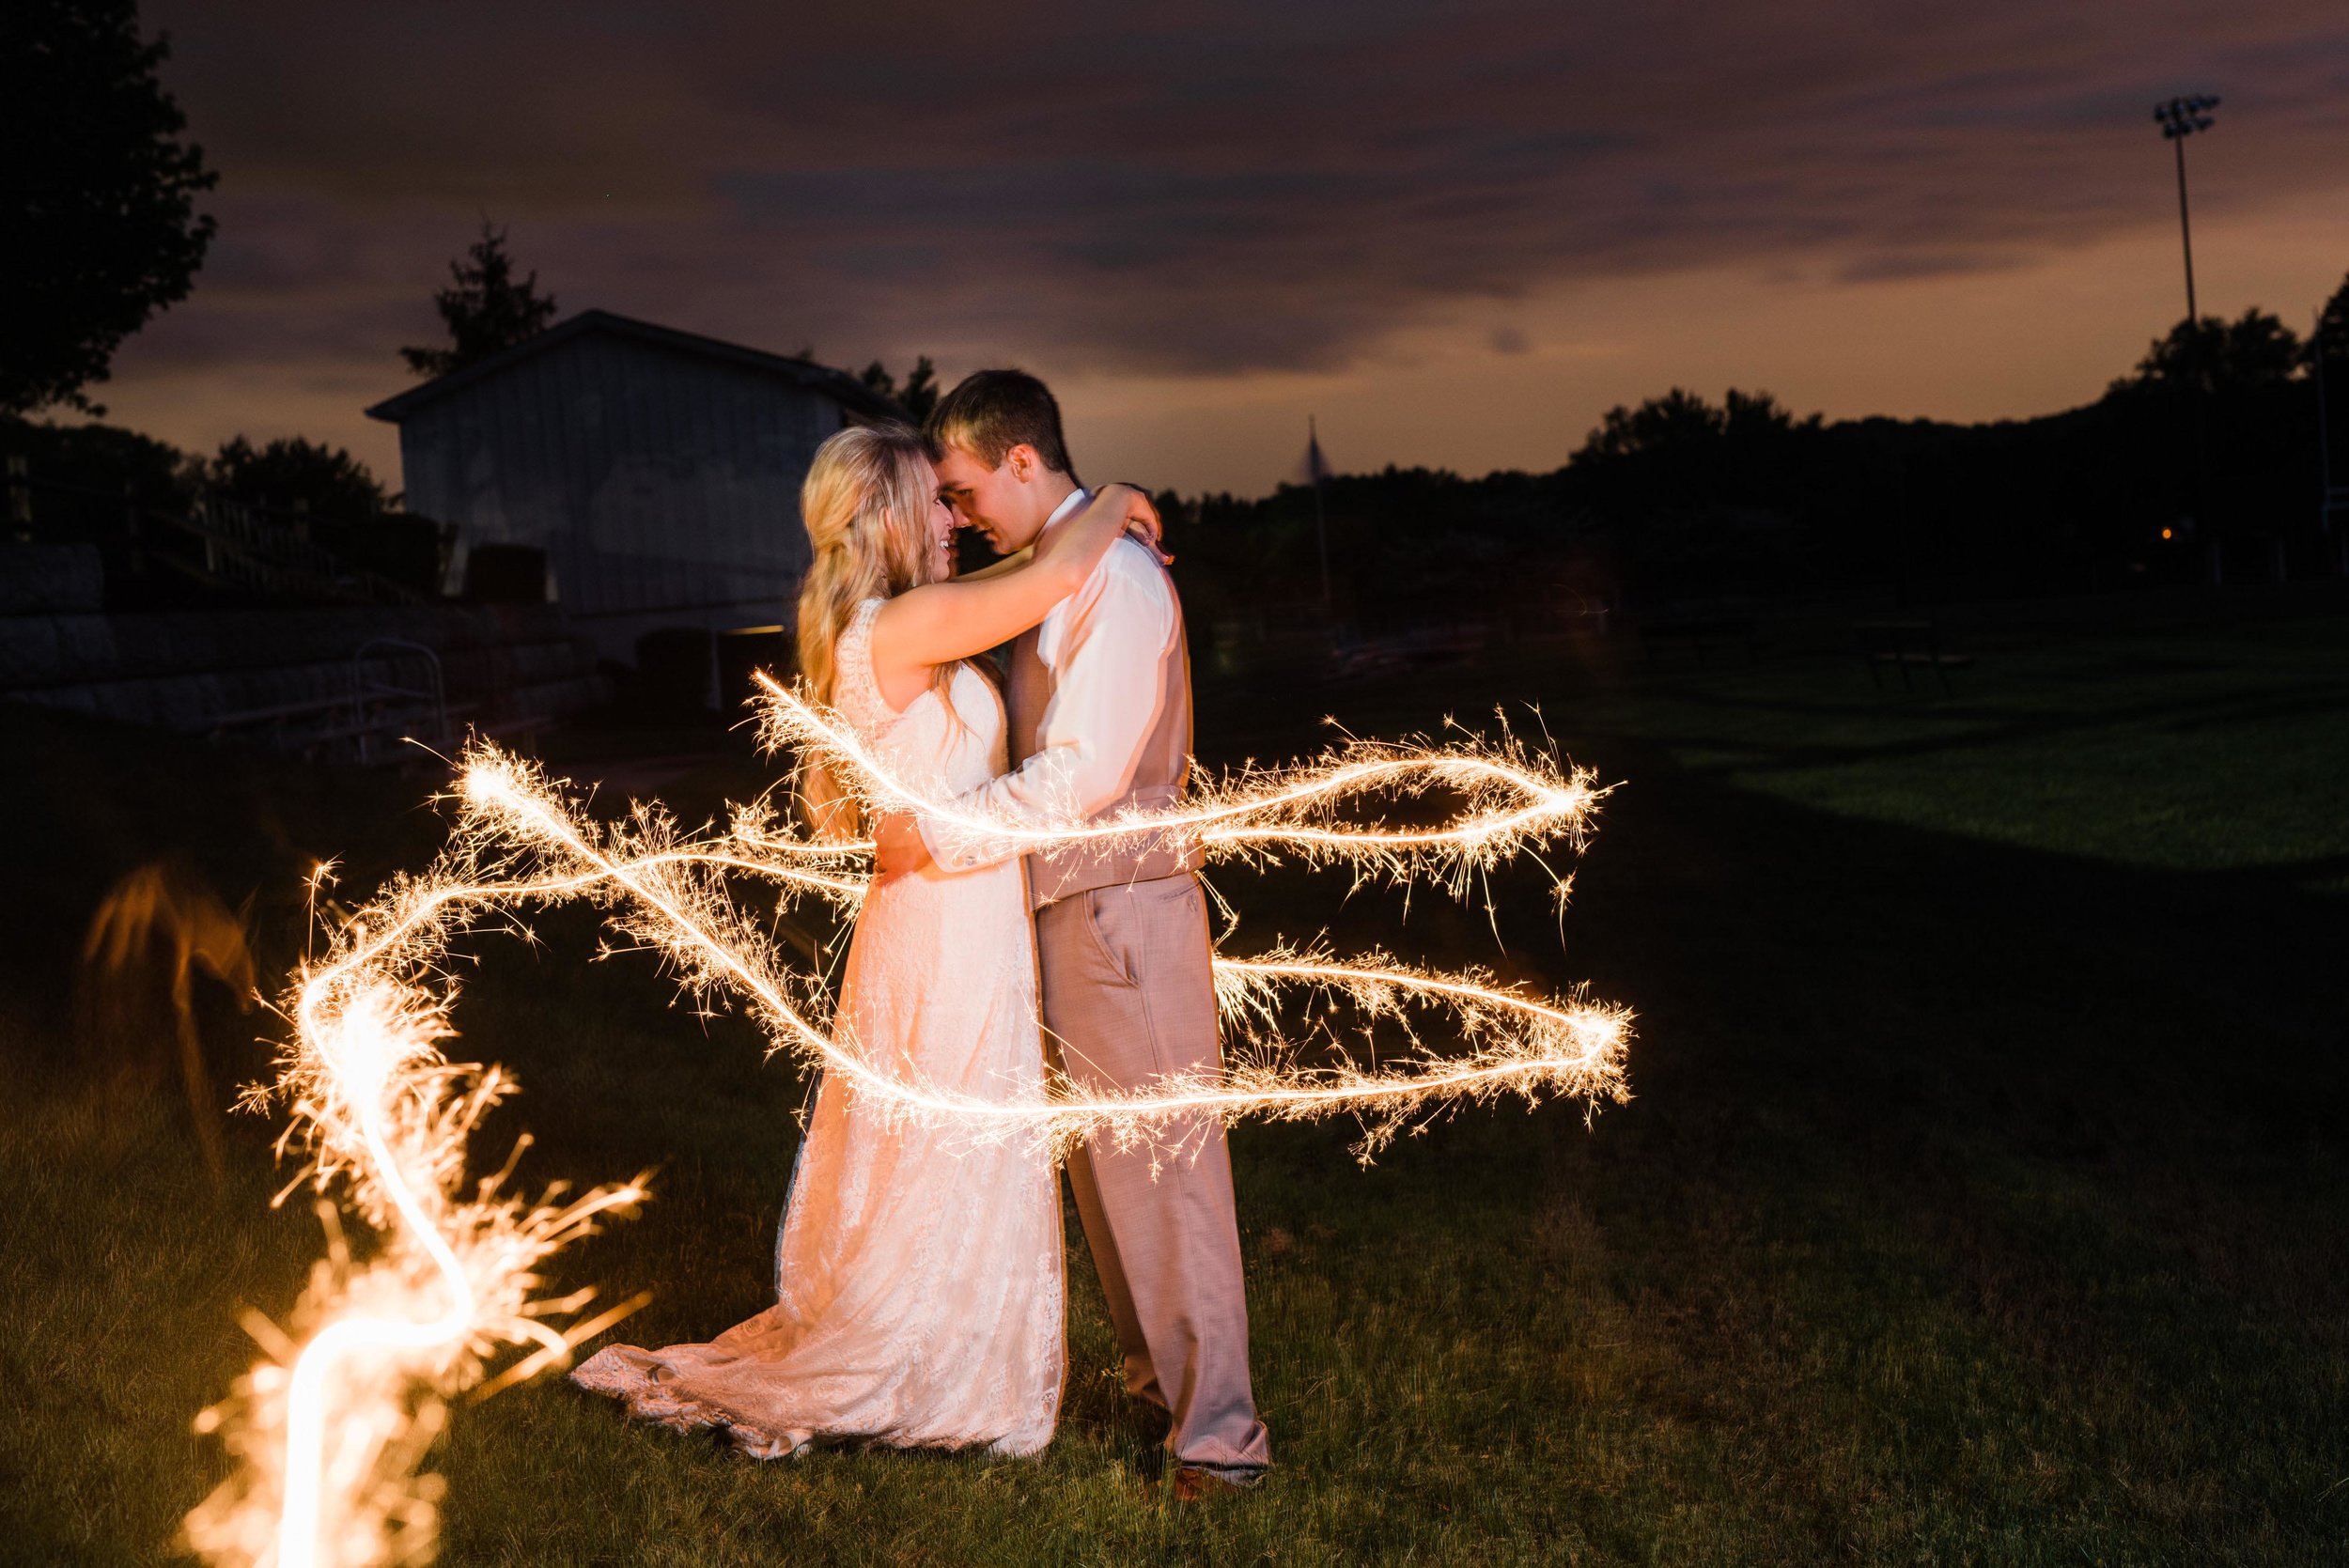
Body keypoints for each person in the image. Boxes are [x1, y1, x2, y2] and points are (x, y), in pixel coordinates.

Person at [571, 420, 1160, 1459]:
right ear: (889, 515)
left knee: (946, 1134)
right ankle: (929, 1353)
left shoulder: (884, 625)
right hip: (941, 923)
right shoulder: (897, 625)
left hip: (945, 910)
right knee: (949, 1129)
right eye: (936, 501)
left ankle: (950, 1333)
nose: (952, 517)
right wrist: (1112, 498)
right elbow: (1051, 573)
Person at [874, 369, 1271, 1499]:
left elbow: (1086, 771)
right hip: (1070, 910)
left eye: (958, 490)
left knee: (1167, 1168)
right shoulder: (1066, 562)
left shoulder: (1124, 580)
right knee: (1110, 1175)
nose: (954, 516)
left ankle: (1221, 1439)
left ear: (1018, 460)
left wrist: (944, 835)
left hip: (1124, 904)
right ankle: (1163, 1385)